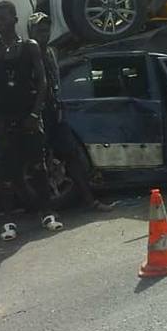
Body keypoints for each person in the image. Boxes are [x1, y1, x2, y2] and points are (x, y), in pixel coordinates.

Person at [0, 0, 62, 241]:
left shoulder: (30, 47)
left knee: (39, 166)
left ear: (15, 19)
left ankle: (47, 213)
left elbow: (42, 81)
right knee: (6, 170)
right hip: (3, 116)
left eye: (3, 18)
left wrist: (36, 114)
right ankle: (8, 221)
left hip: (29, 115)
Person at [26, 13, 113, 213]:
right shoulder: (26, 54)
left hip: (55, 113)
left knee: (72, 156)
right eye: (39, 30)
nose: (44, 34)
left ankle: (90, 201)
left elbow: (56, 80)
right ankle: (46, 211)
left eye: (46, 30)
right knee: (38, 165)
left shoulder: (50, 52)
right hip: (37, 116)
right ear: (30, 32)